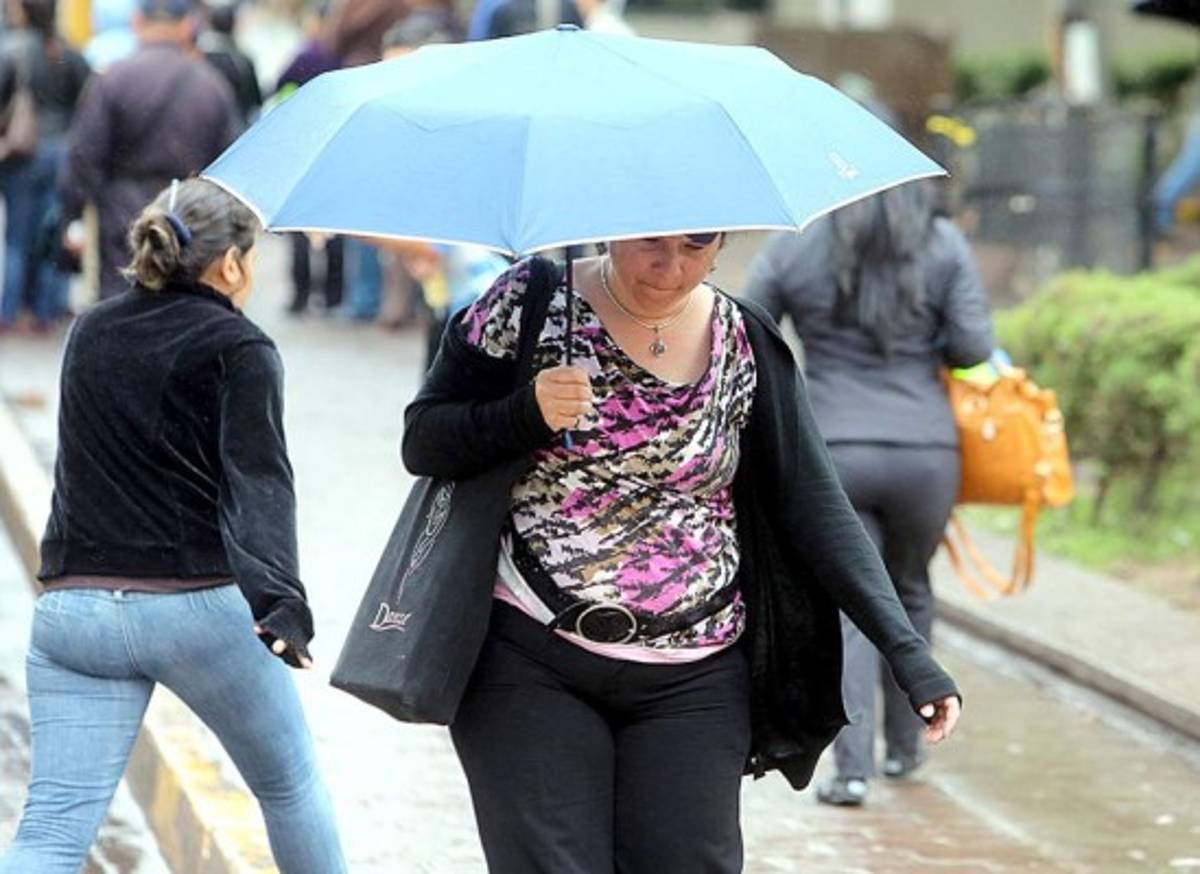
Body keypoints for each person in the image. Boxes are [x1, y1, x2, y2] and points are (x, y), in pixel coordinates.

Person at [401, 232, 963, 872]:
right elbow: (423, 440)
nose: (669, 268)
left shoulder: (743, 337)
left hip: (696, 676)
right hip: (529, 656)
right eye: (651, 244)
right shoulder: (529, 300)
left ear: (722, 243)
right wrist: (524, 413)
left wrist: (907, 651)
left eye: (695, 248)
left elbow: (815, 505)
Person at [0, 178, 347, 874]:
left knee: (52, 831)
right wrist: (282, 606)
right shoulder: (239, 346)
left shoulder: (91, 327)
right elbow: (260, 483)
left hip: (75, 612)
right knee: (289, 787)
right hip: (194, 609)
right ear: (231, 265)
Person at [744, 180, 994, 807]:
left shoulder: (798, 245)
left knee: (851, 603)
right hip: (926, 453)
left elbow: (748, 322)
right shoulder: (942, 243)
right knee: (910, 589)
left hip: (833, 448)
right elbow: (973, 347)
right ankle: (908, 746)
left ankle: (851, 770)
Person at [58, 0, 240, 300]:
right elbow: (229, 165)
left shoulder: (112, 79)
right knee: (181, 300)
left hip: (121, 212)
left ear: (138, 21)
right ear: (187, 26)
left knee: (121, 298)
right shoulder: (212, 86)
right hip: (187, 214)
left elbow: (84, 154)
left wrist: (73, 215)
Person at [0, 0, 90, 332]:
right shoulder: (69, 51)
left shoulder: (12, 50)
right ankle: (46, 310)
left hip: (23, 150)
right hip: (63, 150)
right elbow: (87, 100)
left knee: (17, 236)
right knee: (53, 230)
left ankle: (9, 310)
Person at [198, 1, 263, 129]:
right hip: (237, 128)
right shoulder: (243, 61)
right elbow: (256, 101)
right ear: (234, 25)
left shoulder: (199, 58)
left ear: (210, 23)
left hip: (206, 124)